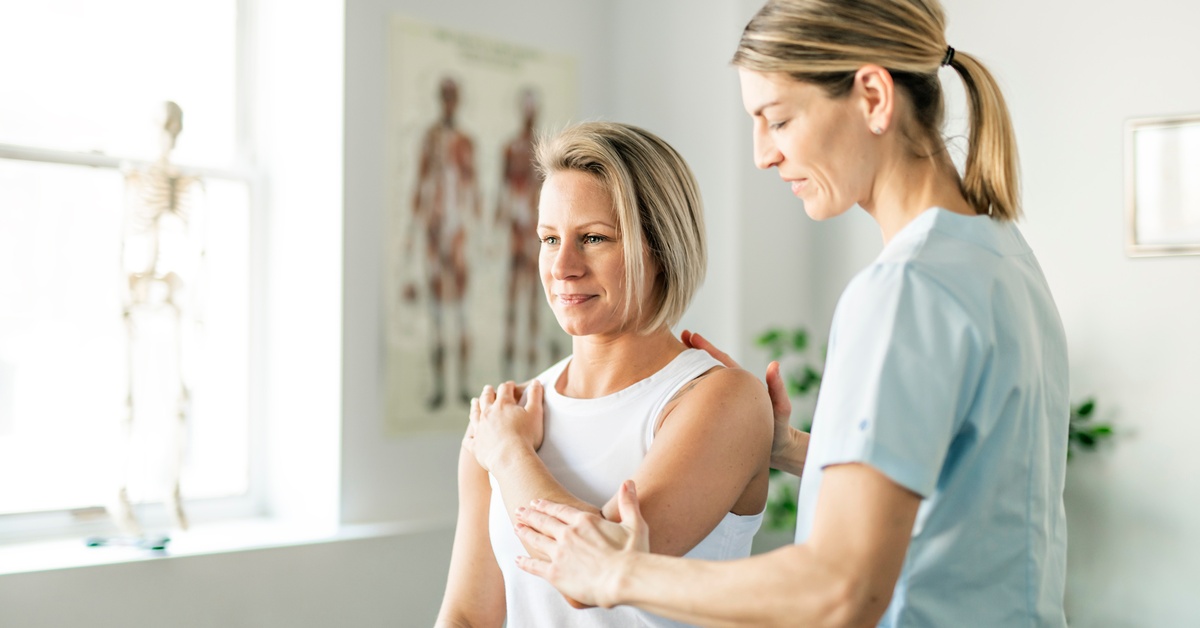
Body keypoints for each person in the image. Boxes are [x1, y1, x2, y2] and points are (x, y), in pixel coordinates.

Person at [511, 0, 1070, 626]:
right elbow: (966, 486)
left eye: (776, 120)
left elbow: (841, 590)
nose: (762, 155)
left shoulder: (906, 289)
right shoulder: (998, 256)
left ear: (873, 98)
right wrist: (801, 448)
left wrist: (619, 570)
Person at [435, 121, 774, 627]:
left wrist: (509, 455)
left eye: (593, 238)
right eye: (550, 239)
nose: (563, 266)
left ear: (660, 249)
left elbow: (593, 573)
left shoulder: (720, 399)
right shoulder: (505, 416)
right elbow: (467, 616)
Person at [406, 76, 480, 409]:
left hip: (458, 232)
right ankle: (439, 386)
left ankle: (463, 384)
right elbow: (420, 184)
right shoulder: (431, 138)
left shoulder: (465, 141)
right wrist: (413, 232)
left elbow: (473, 188)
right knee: (437, 313)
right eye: (446, 97)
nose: (450, 102)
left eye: (454, 97)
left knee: (461, 311)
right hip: (436, 231)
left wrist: (478, 233)